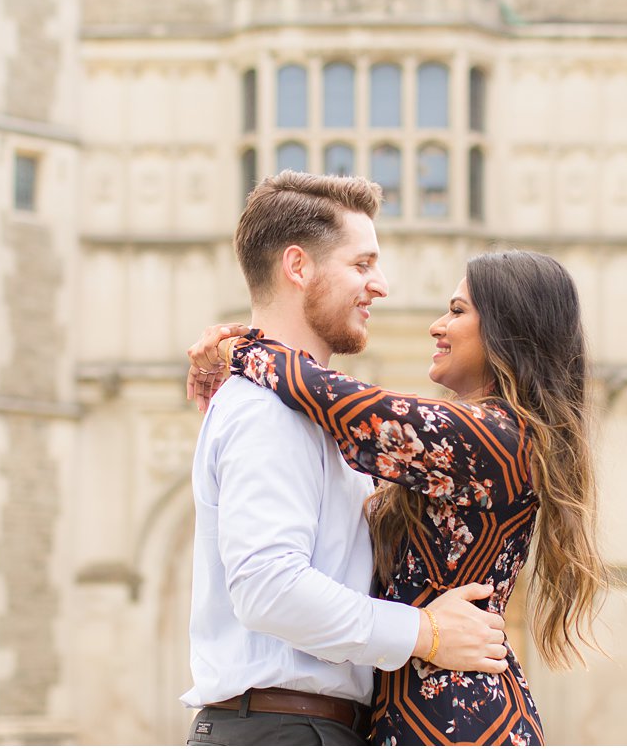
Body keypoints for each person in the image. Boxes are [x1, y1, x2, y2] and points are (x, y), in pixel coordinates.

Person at [188, 246, 605, 746]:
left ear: (508, 331)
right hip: (416, 717)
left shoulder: (496, 439)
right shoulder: (466, 447)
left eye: (456, 311)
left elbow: (345, 405)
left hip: (461, 720)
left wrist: (238, 350)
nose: (436, 325)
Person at [183, 171, 510, 747]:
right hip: (282, 729)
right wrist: (426, 632)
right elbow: (268, 586)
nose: (381, 285)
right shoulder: (267, 409)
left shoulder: (309, 408)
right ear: (298, 267)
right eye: (362, 265)